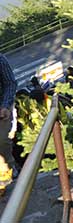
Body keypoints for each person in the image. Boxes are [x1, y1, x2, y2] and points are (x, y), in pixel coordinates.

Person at [0, 54, 17, 190]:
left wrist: (5, 106)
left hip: (2, 108)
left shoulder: (0, 59)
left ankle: (11, 170)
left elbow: (10, 83)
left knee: (2, 141)